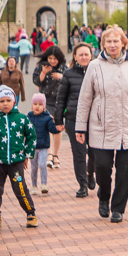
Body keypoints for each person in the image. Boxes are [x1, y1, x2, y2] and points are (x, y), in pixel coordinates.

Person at [75, 25, 128, 223]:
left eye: (116, 41)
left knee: (124, 171)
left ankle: (118, 208)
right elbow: (85, 98)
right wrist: (80, 127)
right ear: (103, 44)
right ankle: (104, 196)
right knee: (102, 167)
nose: (112, 45)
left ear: (123, 43)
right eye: (109, 41)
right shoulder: (94, 66)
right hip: (101, 126)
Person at [0, 86, 38, 229]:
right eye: (2, 101)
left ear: (14, 102)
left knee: (20, 188)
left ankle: (30, 213)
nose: (5, 103)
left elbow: (32, 136)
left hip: (16, 163)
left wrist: (27, 155)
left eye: (8, 100)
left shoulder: (22, 119)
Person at [54, 42, 96, 198]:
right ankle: (82, 185)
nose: (84, 57)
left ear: (91, 56)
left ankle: (90, 172)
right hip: (74, 119)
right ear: (75, 57)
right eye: (81, 55)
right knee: (79, 153)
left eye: (86, 54)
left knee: (95, 153)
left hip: (94, 120)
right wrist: (58, 120)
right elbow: (61, 99)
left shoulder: (97, 71)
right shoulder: (68, 74)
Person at [34, 46, 67, 168]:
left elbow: (70, 82)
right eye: (50, 58)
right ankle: (49, 154)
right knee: (47, 126)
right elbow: (37, 82)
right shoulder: (42, 66)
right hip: (45, 100)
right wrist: (43, 72)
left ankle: (56, 155)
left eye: (55, 59)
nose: (52, 61)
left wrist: (61, 77)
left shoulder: (64, 68)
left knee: (57, 127)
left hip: (59, 101)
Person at [27, 93, 57, 195]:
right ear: (32, 105)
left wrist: (58, 127)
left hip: (43, 147)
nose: (37, 106)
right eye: (35, 104)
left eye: (40, 104)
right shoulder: (28, 117)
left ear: (44, 106)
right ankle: (34, 185)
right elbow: (24, 130)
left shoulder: (47, 118)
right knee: (34, 167)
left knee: (42, 164)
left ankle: (44, 184)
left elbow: (52, 129)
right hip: (32, 148)